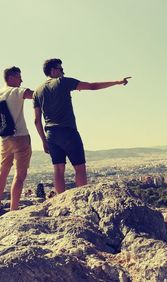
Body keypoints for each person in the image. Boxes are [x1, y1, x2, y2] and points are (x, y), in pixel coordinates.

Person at [33, 58, 131, 194]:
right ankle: (81, 198)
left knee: (58, 169)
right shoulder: (63, 82)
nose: (63, 72)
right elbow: (92, 86)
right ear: (53, 70)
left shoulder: (37, 91)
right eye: (61, 69)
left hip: (51, 135)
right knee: (79, 168)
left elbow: (36, 121)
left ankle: (60, 200)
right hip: (68, 132)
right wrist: (117, 82)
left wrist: (44, 141)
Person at [0, 66, 33, 215]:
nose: (21, 80)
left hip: (4, 139)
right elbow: (35, 95)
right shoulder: (16, 91)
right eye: (19, 77)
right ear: (11, 77)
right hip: (20, 136)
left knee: (3, 171)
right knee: (19, 175)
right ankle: (14, 209)